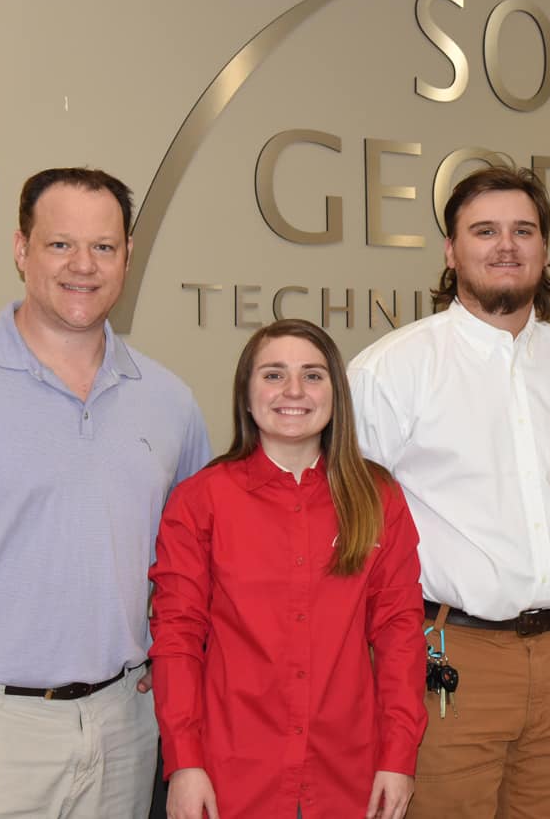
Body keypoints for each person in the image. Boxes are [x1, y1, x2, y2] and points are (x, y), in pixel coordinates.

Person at [0, 167, 211, 817]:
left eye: (103, 247)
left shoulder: (169, 401)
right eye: (60, 244)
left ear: (127, 257)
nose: (83, 266)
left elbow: (195, 562)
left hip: (123, 730)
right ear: (21, 249)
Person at [348, 164, 550, 818]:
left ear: (545, 250)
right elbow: (353, 532)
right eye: (485, 230)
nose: (506, 245)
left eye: (524, 230)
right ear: (450, 251)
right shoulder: (394, 371)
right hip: (448, 658)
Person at [150, 319, 427, 819]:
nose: (294, 391)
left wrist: (399, 756)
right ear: (247, 392)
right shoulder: (200, 501)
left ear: (336, 393)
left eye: (313, 376)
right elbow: (177, 638)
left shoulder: (377, 498)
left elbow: (399, 633)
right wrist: (184, 763)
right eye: (274, 375)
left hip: (350, 774)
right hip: (230, 773)